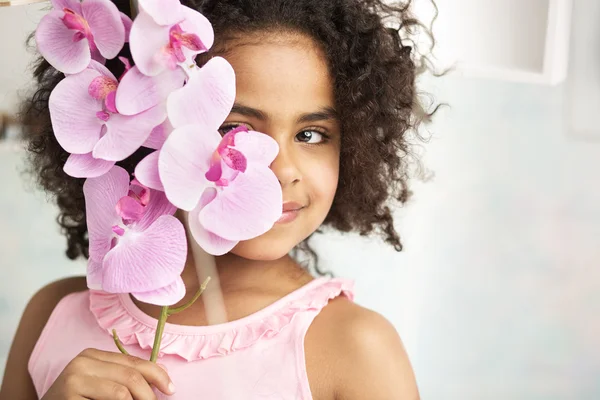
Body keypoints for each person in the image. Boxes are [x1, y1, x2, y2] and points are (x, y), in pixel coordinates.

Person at [0, 0, 438, 398]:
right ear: (146, 130)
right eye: (234, 130)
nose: (283, 170)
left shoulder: (356, 349)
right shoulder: (52, 315)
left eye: (311, 134)